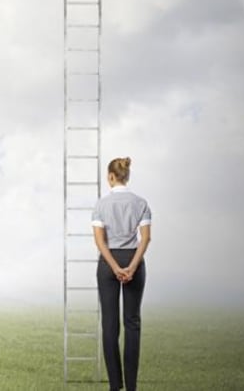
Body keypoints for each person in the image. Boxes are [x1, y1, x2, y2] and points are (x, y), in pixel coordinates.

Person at [91, 157, 152, 391]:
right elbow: (145, 239)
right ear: (127, 176)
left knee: (110, 326)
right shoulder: (141, 203)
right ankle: (132, 388)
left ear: (111, 176)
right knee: (132, 323)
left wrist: (115, 267)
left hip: (108, 264)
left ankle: (115, 387)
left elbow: (99, 241)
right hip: (133, 259)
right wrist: (132, 266)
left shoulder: (101, 205)